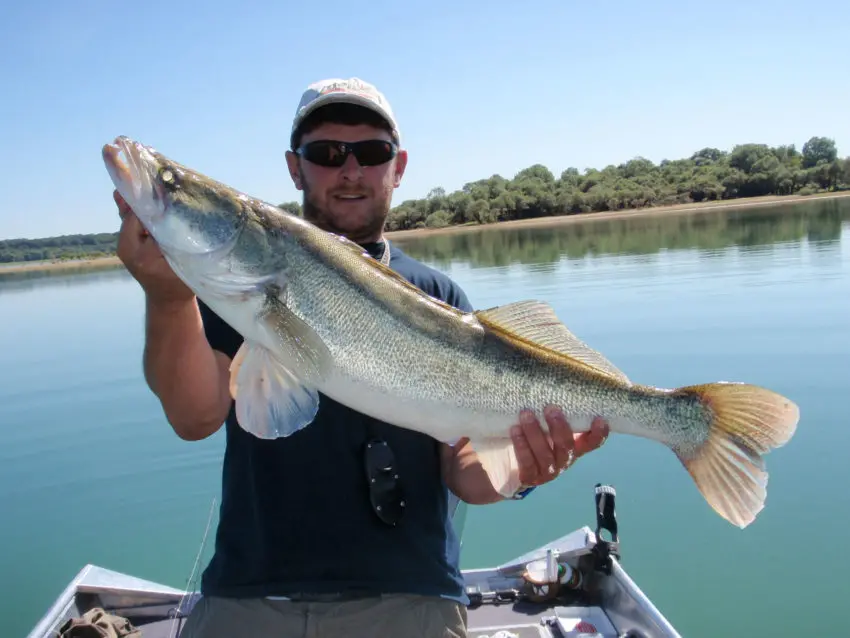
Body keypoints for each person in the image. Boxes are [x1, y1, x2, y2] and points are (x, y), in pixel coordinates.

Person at [113, 77, 610, 638]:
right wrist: (167, 293)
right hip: (251, 596)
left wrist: (521, 465)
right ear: (294, 168)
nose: (350, 170)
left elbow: (467, 472)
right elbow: (193, 416)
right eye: (325, 154)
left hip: (410, 599)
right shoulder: (226, 289)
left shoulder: (440, 298)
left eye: (370, 153)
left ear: (397, 168)